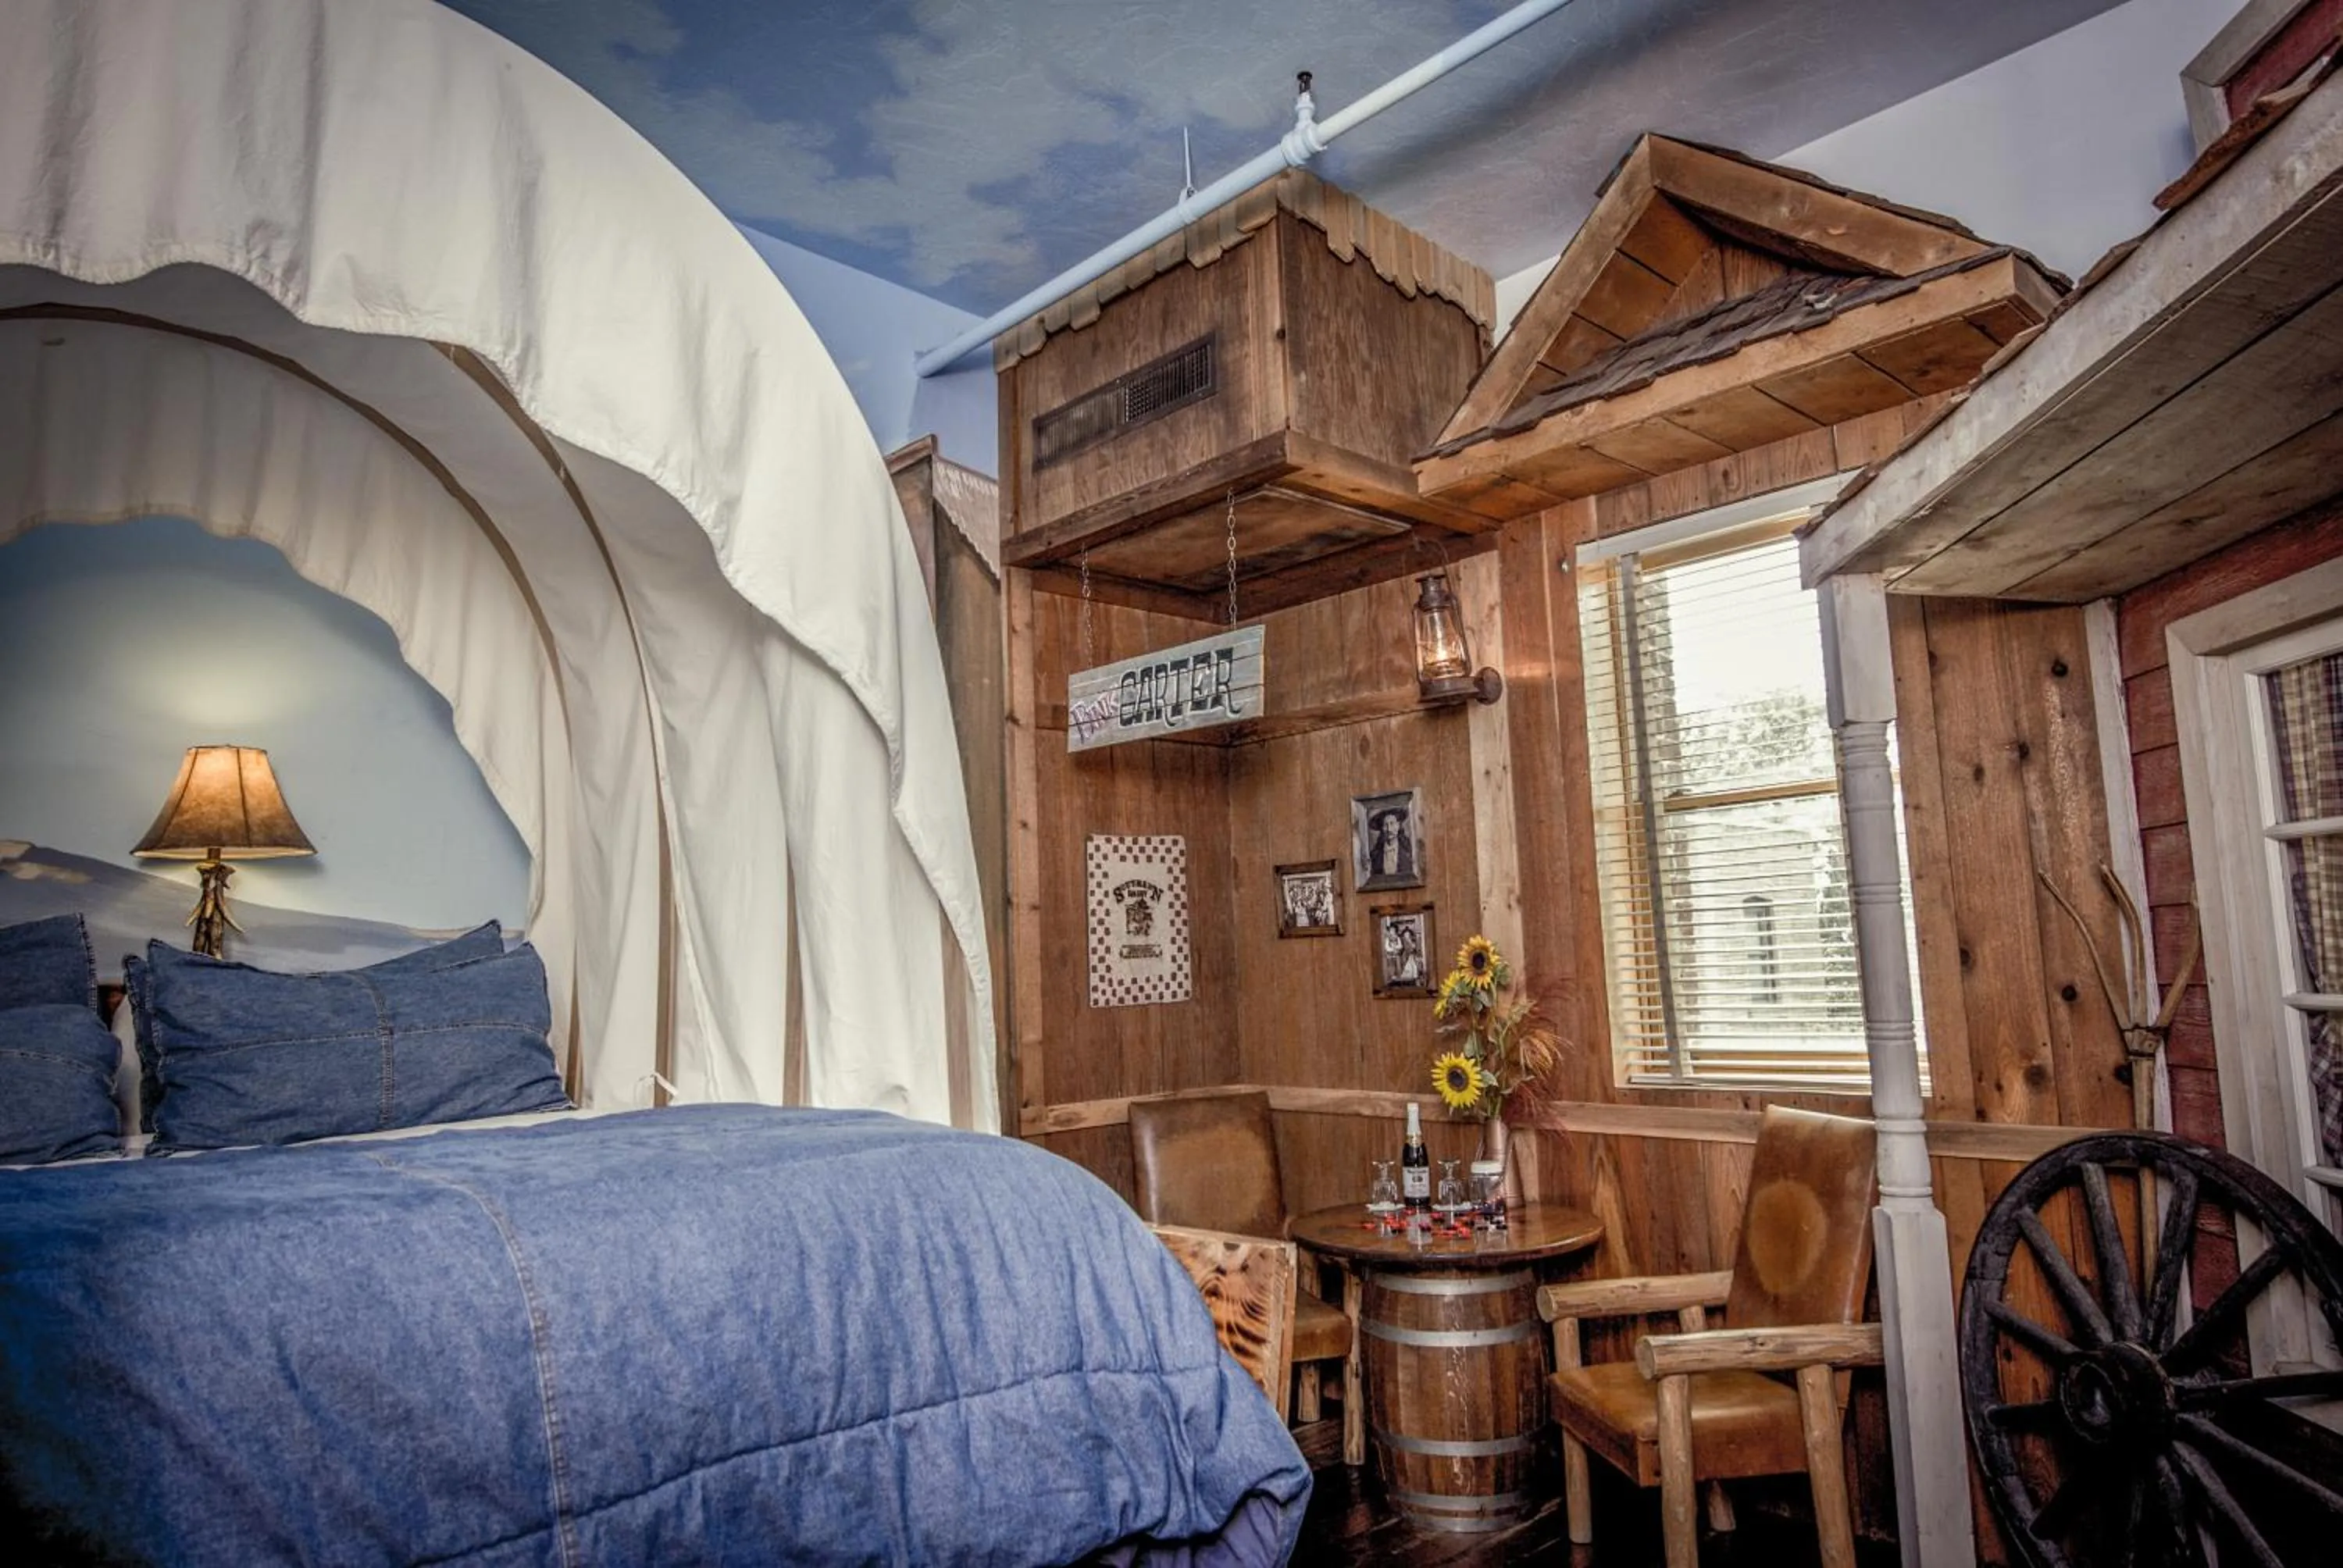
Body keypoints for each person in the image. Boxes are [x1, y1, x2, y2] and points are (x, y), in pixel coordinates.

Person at [1369, 807, 1413, 881]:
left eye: (1392, 824)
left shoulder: (1409, 851)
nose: (1389, 829)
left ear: (1398, 826)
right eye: (1386, 825)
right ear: (1382, 829)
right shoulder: (1375, 856)